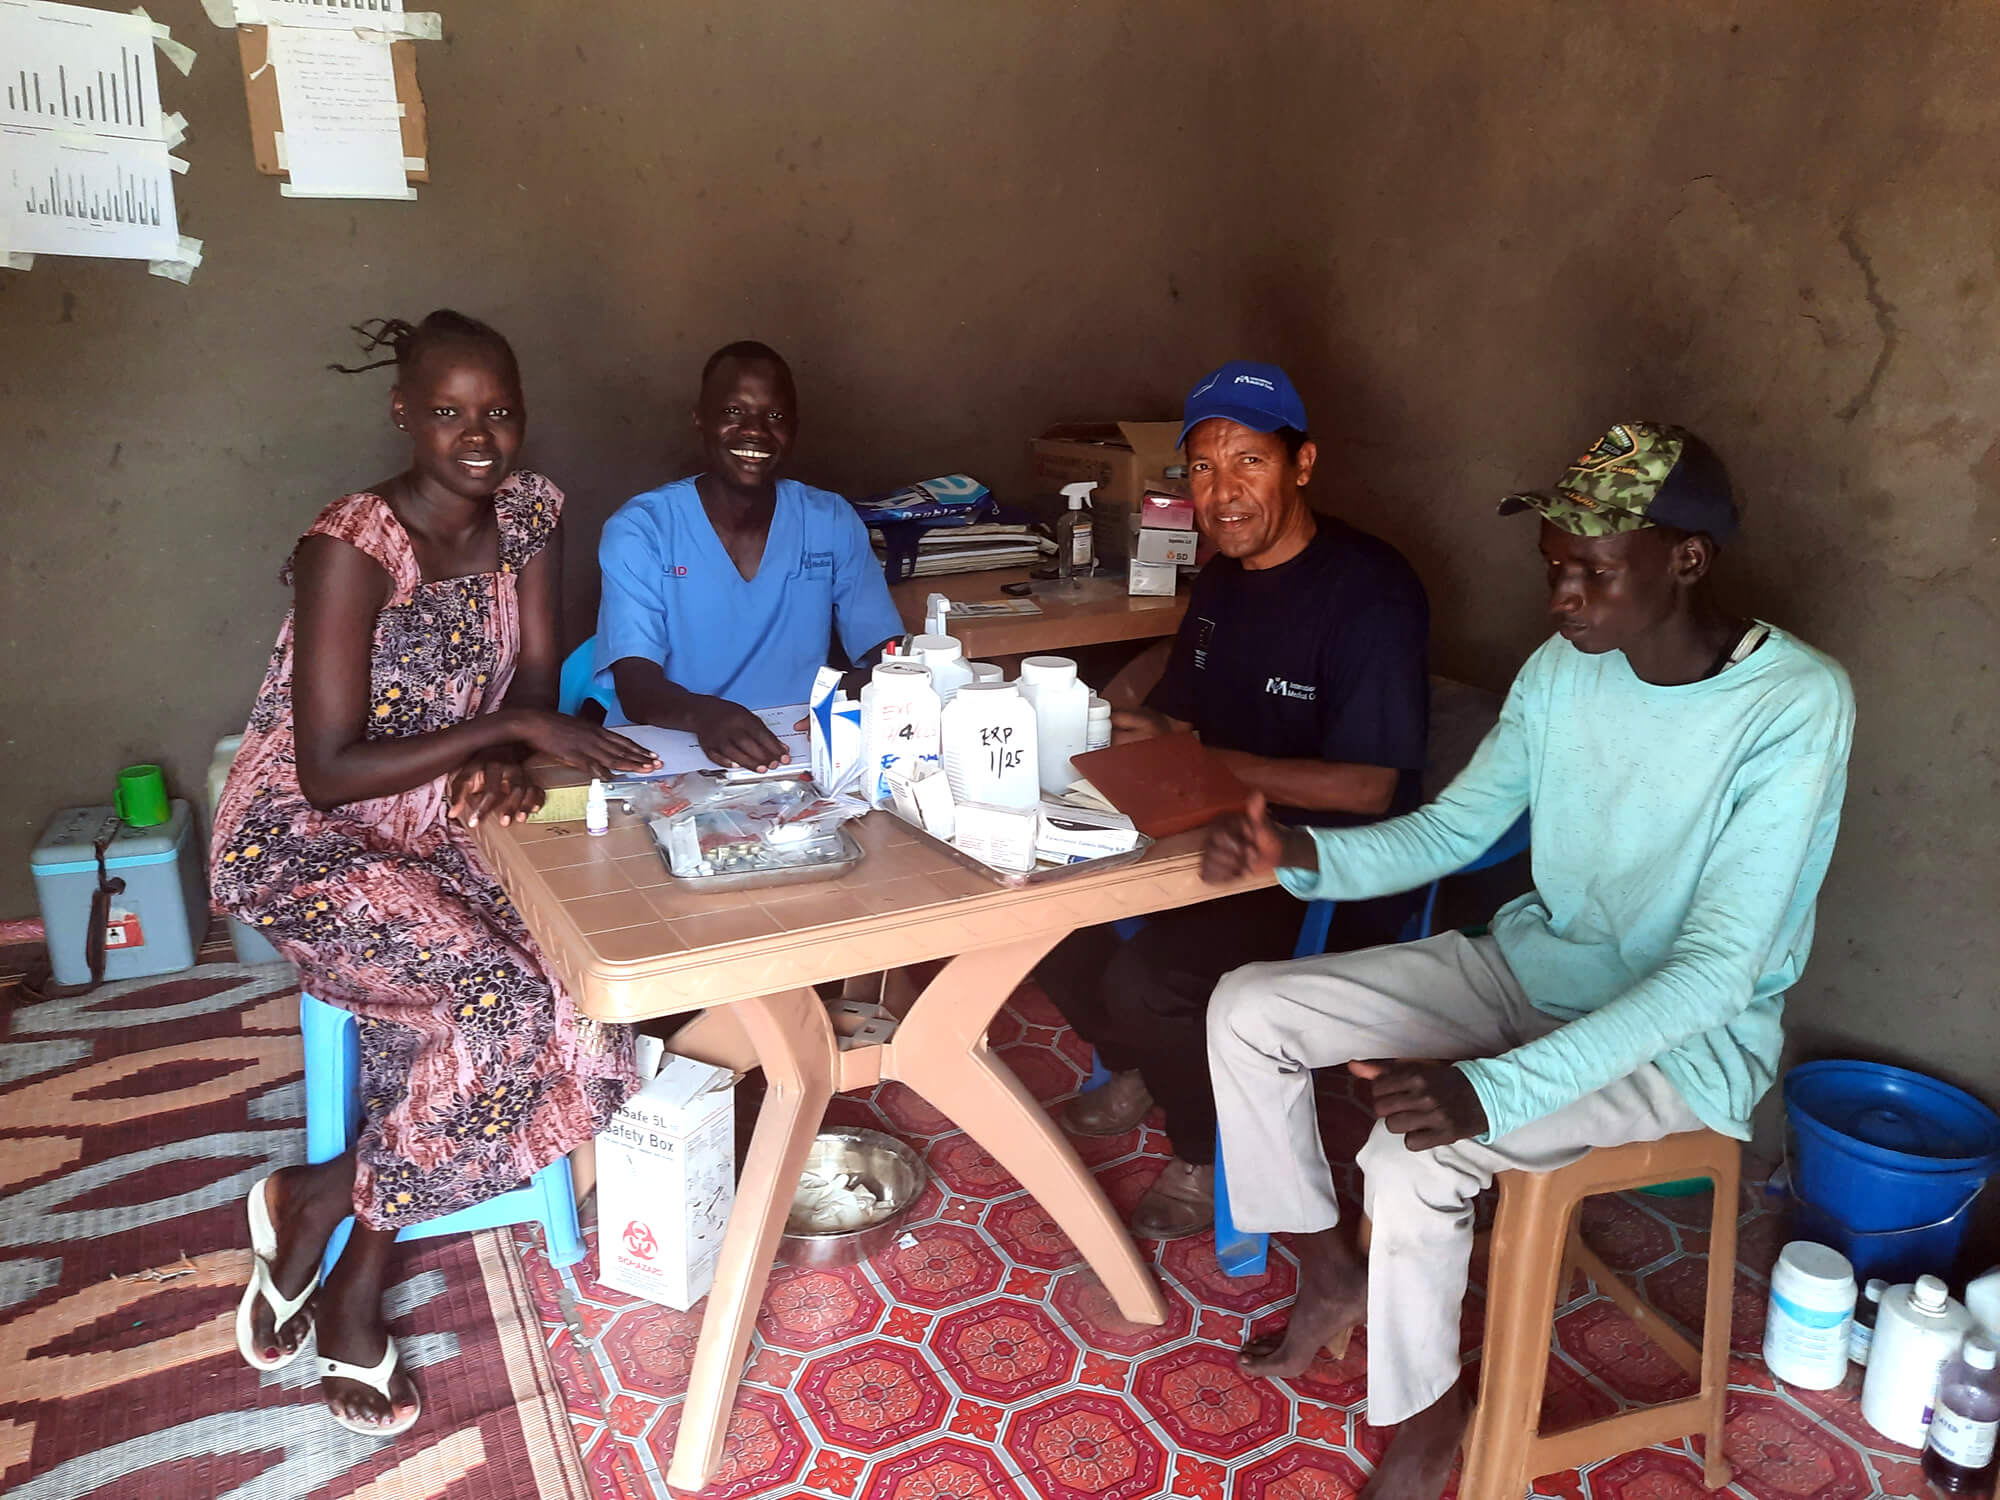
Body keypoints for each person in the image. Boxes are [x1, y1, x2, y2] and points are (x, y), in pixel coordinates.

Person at [1202, 422, 1854, 1500]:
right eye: (1553, 569)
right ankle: (1329, 1276)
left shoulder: (1792, 707)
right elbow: (1452, 832)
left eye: (1592, 574)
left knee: (1415, 1154)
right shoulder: (1562, 670)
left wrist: (1486, 1091)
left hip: (1684, 1043)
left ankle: (1421, 1415)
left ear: (1685, 561)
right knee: (1246, 1009)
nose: (1561, 600)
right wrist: (1298, 853)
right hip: (1529, 971)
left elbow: (1711, 975)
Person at [210, 310, 660, 1437]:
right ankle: (361, 1292)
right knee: (498, 1002)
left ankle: (318, 1197)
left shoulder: (531, 515)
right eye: (450, 412)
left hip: (449, 815)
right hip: (307, 840)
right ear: (403, 412)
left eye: (498, 411)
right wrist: (504, 732)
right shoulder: (352, 547)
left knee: (583, 981)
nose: (479, 437)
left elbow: (544, 672)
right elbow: (327, 769)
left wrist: (512, 752)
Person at [1035, 361, 1430, 1240]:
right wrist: (1115, 721)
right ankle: (1152, 1065)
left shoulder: (1370, 593)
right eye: (1204, 468)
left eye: (1248, 461)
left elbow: (1373, 785)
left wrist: (1208, 758)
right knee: (1039, 919)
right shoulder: (1220, 580)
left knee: (1151, 982)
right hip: (1210, 830)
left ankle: (1201, 1146)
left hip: (1322, 865)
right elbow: (1178, 700)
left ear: (1303, 463)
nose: (1223, 491)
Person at [594, 341, 904, 769]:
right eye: (733, 412)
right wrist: (706, 716)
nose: (754, 430)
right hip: (665, 758)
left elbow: (886, 649)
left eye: (774, 416)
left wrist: (868, 683)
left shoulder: (829, 519)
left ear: (793, 428)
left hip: (793, 755)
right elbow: (635, 685)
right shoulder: (642, 528)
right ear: (699, 419)